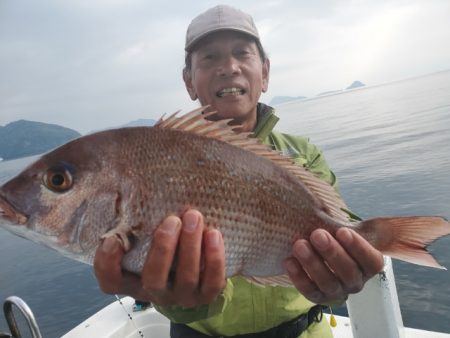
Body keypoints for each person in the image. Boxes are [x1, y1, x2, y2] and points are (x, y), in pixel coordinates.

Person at [94, 5, 384, 338]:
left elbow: (341, 231)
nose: (228, 67)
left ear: (265, 72)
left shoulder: (301, 155)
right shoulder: (161, 158)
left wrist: (343, 273)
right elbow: (171, 282)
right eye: (209, 58)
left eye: (241, 54)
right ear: (189, 82)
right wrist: (178, 299)